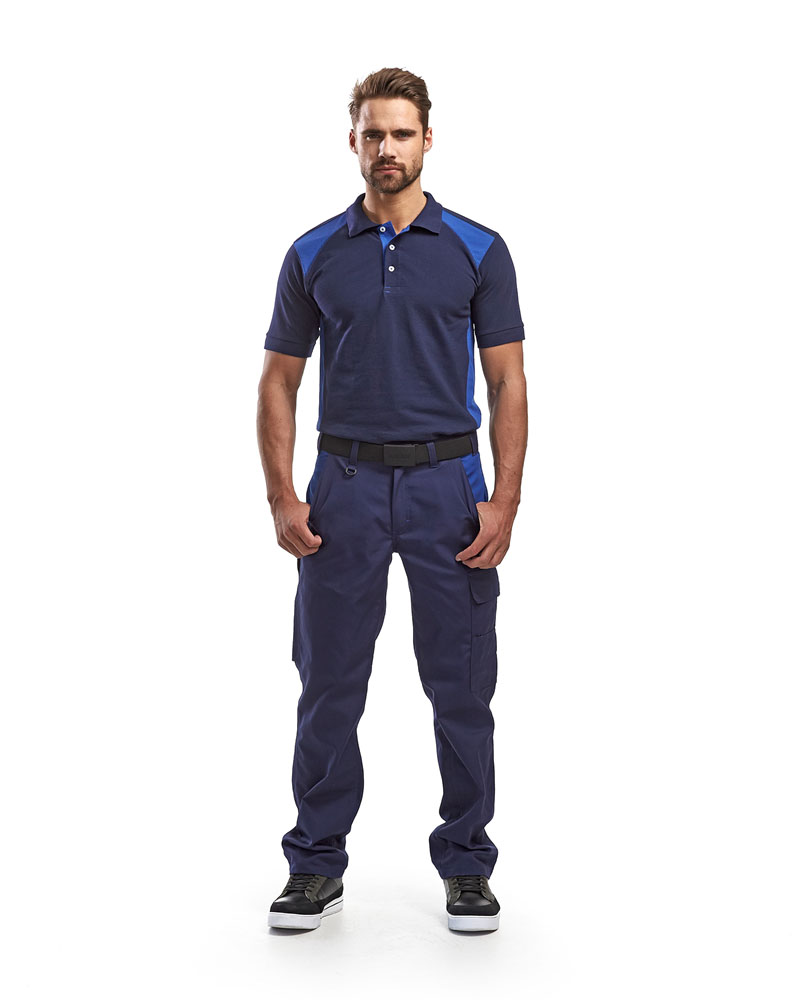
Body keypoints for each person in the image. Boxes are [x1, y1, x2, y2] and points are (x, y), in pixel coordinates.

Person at [256, 67, 527, 933]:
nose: (386, 148)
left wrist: (506, 500)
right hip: (343, 487)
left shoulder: (478, 250)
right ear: (353, 141)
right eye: (373, 133)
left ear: (427, 140)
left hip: (450, 485)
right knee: (329, 682)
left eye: (401, 133)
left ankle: (468, 865)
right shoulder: (313, 253)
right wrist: (281, 496)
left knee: (462, 682)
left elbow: (508, 382)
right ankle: (314, 864)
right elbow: (279, 381)